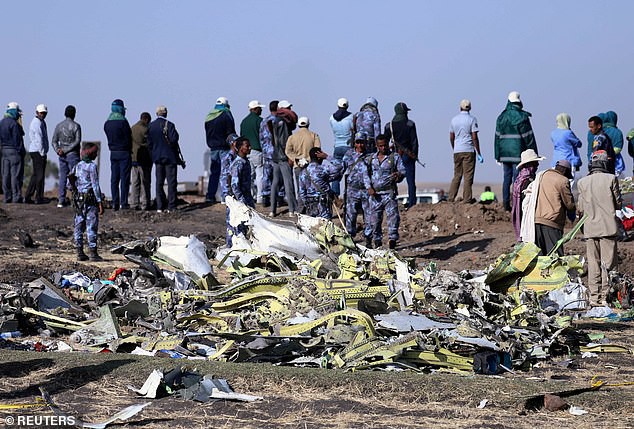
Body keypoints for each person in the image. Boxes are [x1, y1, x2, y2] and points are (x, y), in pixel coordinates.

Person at [577, 150, 622, 307]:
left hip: (590, 229)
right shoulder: (611, 179)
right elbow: (618, 204)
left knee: (593, 264)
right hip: (608, 228)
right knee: (608, 265)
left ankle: (594, 298)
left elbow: (580, 207)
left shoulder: (582, 182)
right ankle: (606, 297)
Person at [494, 91, 538, 212]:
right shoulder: (522, 117)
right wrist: (534, 154)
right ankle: (516, 205)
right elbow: (529, 137)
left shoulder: (501, 117)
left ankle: (506, 205)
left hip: (504, 154)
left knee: (506, 179)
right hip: (518, 153)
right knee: (517, 179)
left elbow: (497, 137)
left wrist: (497, 155)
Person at [368, 135, 405, 249]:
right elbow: (365, 175)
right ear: (376, 146)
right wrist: (369, 187)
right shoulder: (371, 159)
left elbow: (403, 170)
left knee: (393, 218)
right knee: (374, 221)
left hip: (389, 193)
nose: (383, 148)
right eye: (380, 146)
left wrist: (398, 175)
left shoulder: (394, 157)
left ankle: (392, 241)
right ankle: (377, 242)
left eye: (385, 145)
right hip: (375, 196)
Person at [69, 142, 104, 262]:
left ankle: (79, 252)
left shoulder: (77, 166)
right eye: (95, 153)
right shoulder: (92, 167)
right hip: (90, 201)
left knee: (78, 226)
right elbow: (95, 185)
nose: (96, 155)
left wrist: (75, 191)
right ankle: (93, 253)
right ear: (90, 153)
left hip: (78, 201)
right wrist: (100, 202)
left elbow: (70, 184)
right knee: (91, 226)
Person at [533, 159, 575, 256]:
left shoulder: (542, 176)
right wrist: (572, 214)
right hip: (552, 222)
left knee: (540, 255)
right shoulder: (562, 180)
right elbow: (569, 204)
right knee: (555, 255)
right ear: (565, 171)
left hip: (536, 220)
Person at [384, 102, 418, 209]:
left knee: (392, 180)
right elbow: (414, 142)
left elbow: (384, 141)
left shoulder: (389, 125)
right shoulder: (410, 124)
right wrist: (415, 155)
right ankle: (412, 204)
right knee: (410, 181)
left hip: (394, 156)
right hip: (408, 155)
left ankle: (390, 202)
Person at [448, 99, 482, 203]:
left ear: (460, 107)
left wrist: (455, 147)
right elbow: (474, 137)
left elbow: (451, 136)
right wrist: (479, 152)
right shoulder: (472, 119)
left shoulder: (454, 120)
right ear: (470, 108)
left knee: (457, 175)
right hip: (468, 150)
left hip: (457, 150)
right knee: (468, 176)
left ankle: (451, 197)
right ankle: (467, 198)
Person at [148, 105, 181, 213]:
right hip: (170, 157)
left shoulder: (151, 126)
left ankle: (159, 206)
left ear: (156, 113)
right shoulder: (170, 125)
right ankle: (171, 205)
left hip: (157, 157)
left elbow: (149, 143)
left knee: (159, 182)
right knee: (171, 182)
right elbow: (174, 139)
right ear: (166, 113)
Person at [269, 100, 298, 217]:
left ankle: (272, 210)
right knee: (288, 182)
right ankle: (292, 209)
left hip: (276, 155)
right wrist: (289, 156)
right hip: (283, 156)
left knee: (275, 183)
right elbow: (283, 141)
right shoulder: (283, 122)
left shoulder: (275, 120)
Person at [343, 131, 373, 247]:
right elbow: (340, 168)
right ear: (354, 143)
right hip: (352, 190)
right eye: (358, 142)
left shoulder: (370, 156)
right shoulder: (348, 155)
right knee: (351, 215)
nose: (360, 145)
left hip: (366, 191)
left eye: (362, 143)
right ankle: (350, 239)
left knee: (369, 216)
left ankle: (368, 240)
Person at [286, 116, 321, 212]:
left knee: (300, 188)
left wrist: (296, 159)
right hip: (311, 166)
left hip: (298, 166)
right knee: (312, 188)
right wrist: (308, 159)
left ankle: (300, 209)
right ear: (308, 124)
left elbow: (288, 151)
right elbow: (317, 149)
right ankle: (312, 208)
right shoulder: (314, 136)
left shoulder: (292, 137)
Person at [298, 147, 343, 220]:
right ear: (319, 157)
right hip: (323, 205)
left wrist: (307, 204)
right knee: (326, 228)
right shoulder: (322, 169)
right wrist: (327, 157)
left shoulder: (303, 172)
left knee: (313, 229)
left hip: (311, 206)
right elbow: (340, 166)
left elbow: (302, 193)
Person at [205, 97, 235, 203]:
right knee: (225, 172)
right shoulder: (226, 114)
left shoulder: (209, 116)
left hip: (213, 148)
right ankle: (224, 196)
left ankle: (210, 196)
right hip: (224, 148)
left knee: (214, 173)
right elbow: (230, 133)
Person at [104, 99, 132, 211]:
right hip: (124, 152)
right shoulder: (123, 122)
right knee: (124, 179)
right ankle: (123, 203)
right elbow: (128, 138)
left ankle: (115, 202)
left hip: (113, 153)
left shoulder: (107, 123)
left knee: (114, 179)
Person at [227, 137, 255, 246]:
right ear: (239, 148)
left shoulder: (246, 162)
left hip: (246, 198)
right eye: (247, 146)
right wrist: (241, 201)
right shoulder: (238, 164)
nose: (249, 148)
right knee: (235, 228)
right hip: (238, 201)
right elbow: (234, 185)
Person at [512, 149, 545, 241]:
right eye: (535, 163)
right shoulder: (527, 181)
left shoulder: (519, 179)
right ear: (529, 164)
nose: (537, 165)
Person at [240, 100, 265, 204]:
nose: (261, 110)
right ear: (255, 109)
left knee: (249, 175)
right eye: (260, 108)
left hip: (246, 151)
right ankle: (260, 197)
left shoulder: (244, 121)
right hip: (257, 150)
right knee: (260, 175)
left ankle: (250, 196)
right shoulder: (260, 121)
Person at [0, 102, 25, 203]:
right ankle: (16, 197)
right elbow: (17, 140)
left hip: (4, 151)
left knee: (5, 174)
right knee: (15, 175)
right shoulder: (14, 124)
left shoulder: (1, 122)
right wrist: (21, 151)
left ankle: (7, 197)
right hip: (14, 151)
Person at [329, 98, 354, 196]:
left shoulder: (331, 118)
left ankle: (335, 196)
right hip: (348, 147)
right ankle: (349, 195)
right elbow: (353, 130)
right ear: (347, 106)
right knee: (350, 172)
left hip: (337, 146)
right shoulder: (351, 117)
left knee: (336, 172)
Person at [25, 104, 49, 204]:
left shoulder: (40, 122)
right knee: (39, 176)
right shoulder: (37, 123)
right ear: (37, 112)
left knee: (36, 175)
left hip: (37, 150)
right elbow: (39, 139)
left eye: (44, 113)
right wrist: (43, 152)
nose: (43, 114)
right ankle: (38, 197)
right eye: (41, 113)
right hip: (38, 151)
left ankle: (28, 196)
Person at [129, 112, 152, 211]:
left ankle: (134, 203)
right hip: (144, 159)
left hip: (133, 158)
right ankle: (145, 203)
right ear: (146, 119)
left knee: (135, 182)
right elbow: (149, 143)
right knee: (145, 182)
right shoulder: (146, 130)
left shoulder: (132, 128)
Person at [259, 100, 279, 207]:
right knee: (278, 175)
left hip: (266, 152)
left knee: (266, 175)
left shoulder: (264, 122)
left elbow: (261, 138)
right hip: (277, 153)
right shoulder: (279, 121)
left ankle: (265, 197)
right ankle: (279, 197)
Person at [220, 134, 239, 204]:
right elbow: (225, 176)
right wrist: (227, 193)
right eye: (237, 142)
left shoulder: (237, 156)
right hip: (229, 192)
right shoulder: (228, 157)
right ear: (232, 144)